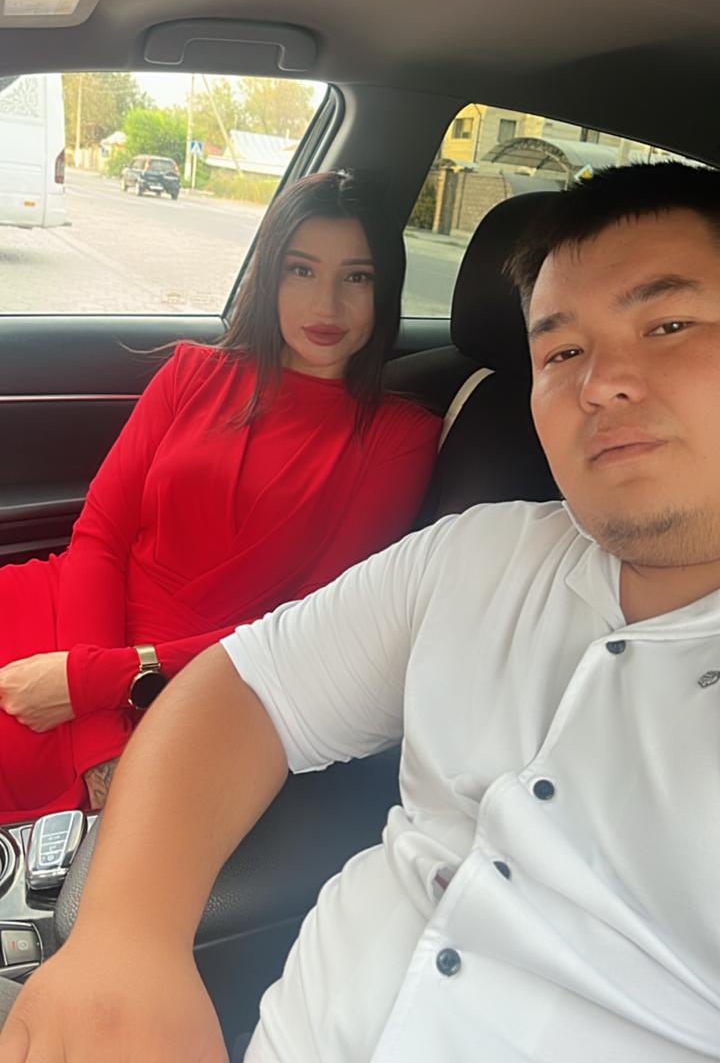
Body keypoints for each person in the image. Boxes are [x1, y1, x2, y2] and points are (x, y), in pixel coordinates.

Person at [3, 159, 720, 1063]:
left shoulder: (398, 438)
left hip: (133, 677)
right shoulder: (480, 553)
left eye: (668, 325)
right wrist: (124, 938)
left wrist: (99, 688)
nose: (601, 383)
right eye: (563, 352)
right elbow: (129, 563)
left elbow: (281, 625)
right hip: (77, 629)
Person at [0, 169, 440, 823]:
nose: (326, 305)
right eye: (301, 271)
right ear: (270, 276)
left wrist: (95, 682)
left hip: (199, 685)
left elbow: (310, 627)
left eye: (357, 277)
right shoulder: (189, 374)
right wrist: (96, 735)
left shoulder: (399, 438)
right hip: (71, 615)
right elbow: (99, 537)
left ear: (385, 290)